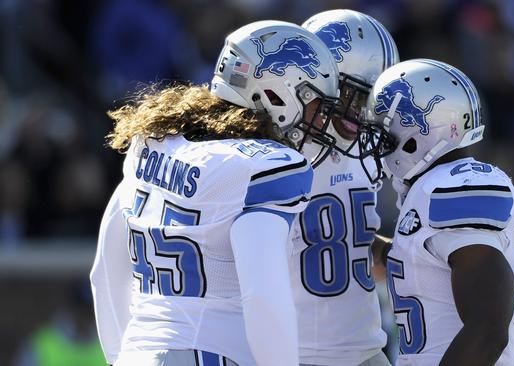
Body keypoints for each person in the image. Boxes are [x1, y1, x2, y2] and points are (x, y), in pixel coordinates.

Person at [90, 20, 340, 366]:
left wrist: (120, 356)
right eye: (313, 101)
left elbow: (105, 272)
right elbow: (263, 296)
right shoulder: (269, 166)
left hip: (138, 354)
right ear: (274, 93)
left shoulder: (155, 142)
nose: (320, 119)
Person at [365, 59, 514, 365]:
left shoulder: (458, 187)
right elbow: (428, 266)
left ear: (417, 134)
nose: (380, 146)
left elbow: (488, 331)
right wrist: (372, 247)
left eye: (386, 134)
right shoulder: (435, 186)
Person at [286, 10, 399, 366]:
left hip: (362, 346)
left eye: (371, 99)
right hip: (295, 349)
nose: (361, 110)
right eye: (351, 92)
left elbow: (349, 240)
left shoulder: (362, 148)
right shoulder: (279, 150)